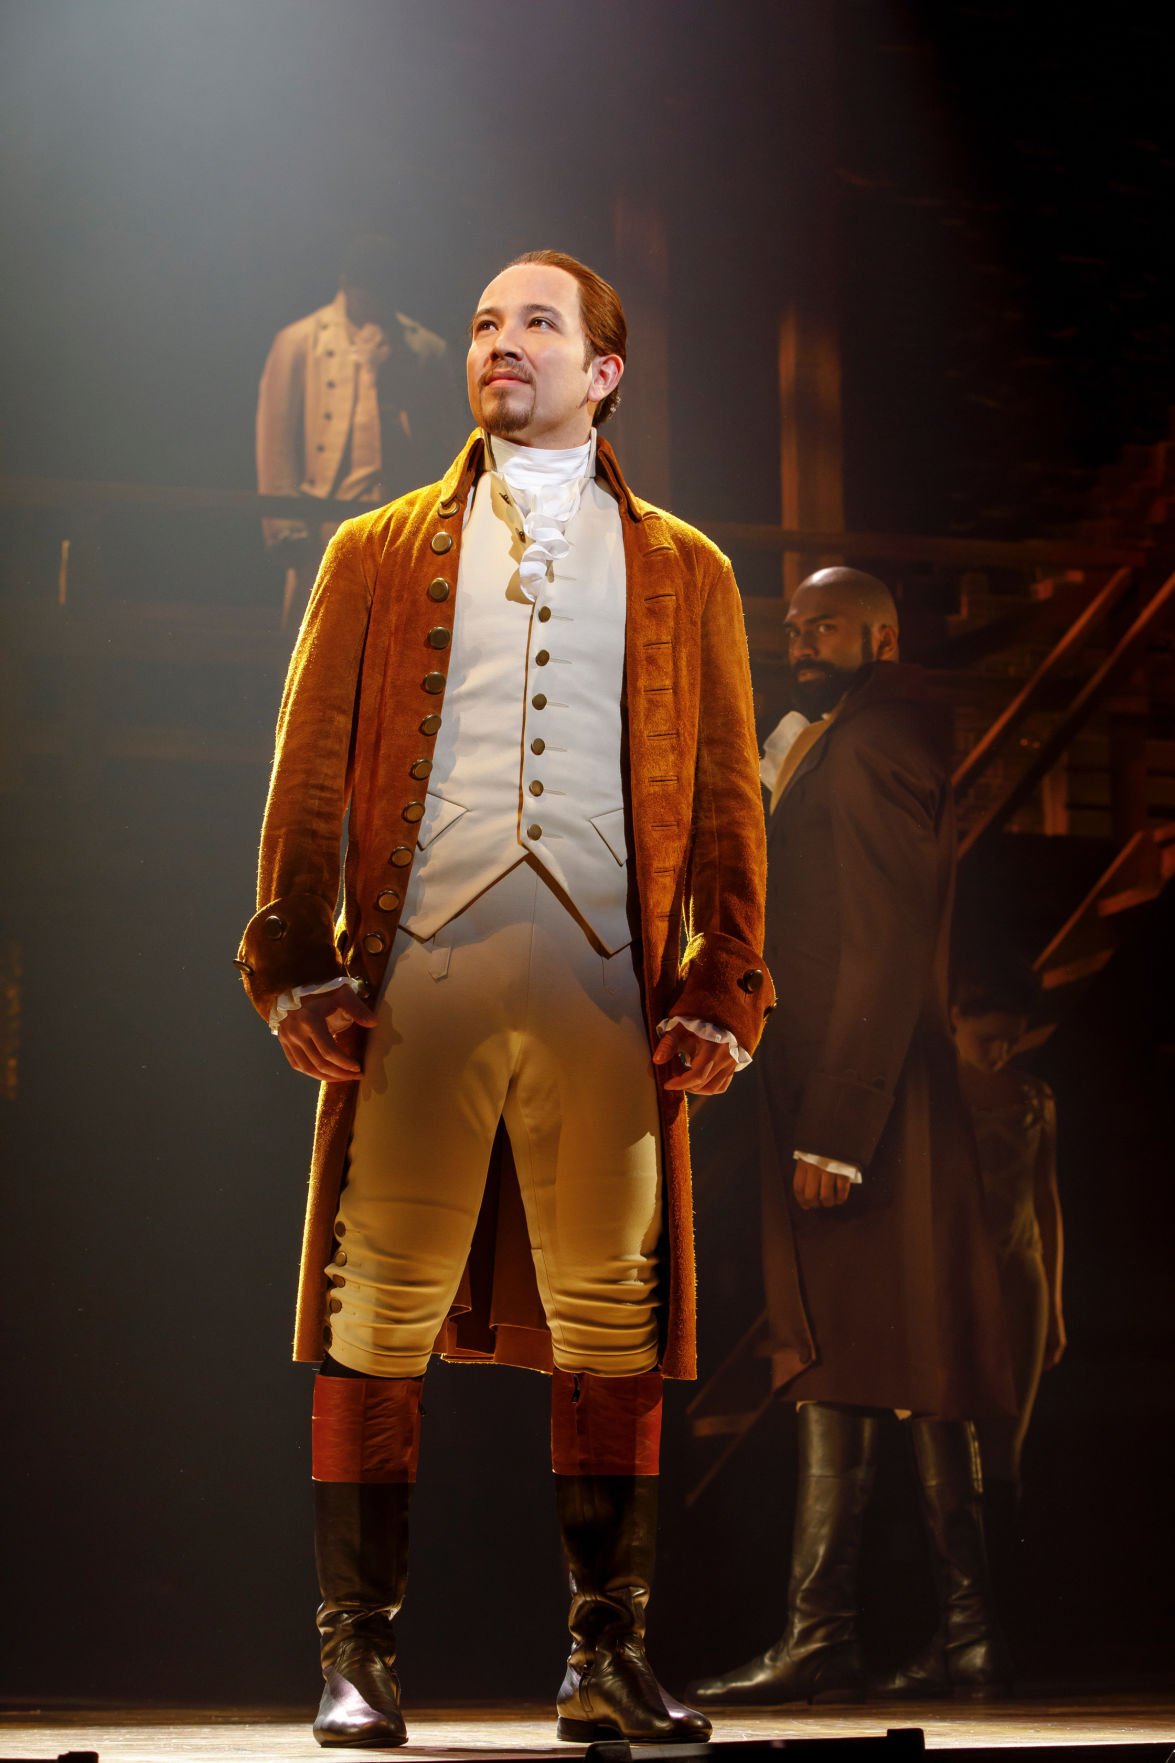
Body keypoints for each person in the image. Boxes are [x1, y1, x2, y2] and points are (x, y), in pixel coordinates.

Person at [236, 249, 773, 1747]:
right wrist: (293, 958)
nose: (499, 341)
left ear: (604, 371)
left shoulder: (687, 568)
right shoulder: (372, 548)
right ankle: (356, 1655)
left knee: (614, 1305)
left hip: (603, 977)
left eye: (536, 322)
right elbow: (306, 771)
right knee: (374, 1295)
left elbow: (727, 800)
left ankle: (607, 1655)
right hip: (426, 971)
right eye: (484, 322)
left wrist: (724, 980)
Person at [687, 567, 1014, 1710]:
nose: (800, 637)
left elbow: (882, 940)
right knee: (879, 1355)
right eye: (791, 624)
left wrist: (837, 1127)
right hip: (851, 1099)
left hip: (864, 1108)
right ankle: (947, 1637)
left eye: (823, 622)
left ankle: (836, 1636)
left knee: (858, 1352)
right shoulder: (839, 738)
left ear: (881, 634)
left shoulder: (873, 742)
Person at [256, 233, 458, 622]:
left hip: (402, 519)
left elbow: (445, 442)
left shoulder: (426, 350)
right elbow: (275, 440)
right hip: (323, 518)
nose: (373, 301)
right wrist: (285, 529)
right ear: (346, 283)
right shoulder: (298, 341)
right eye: (366, 288)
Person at [950, 964, 1066, 1493]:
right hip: (954, 1274)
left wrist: (1055, 1307)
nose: (1000, 1052)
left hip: (1021, 1276)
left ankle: (1002, 1535)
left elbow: (1045, 1200)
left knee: (1005, 1445)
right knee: (951, 1440)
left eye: (1011, 1041)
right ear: (955, 1018)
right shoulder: (938, 1094)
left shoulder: (1034, 1097)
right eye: (987, 1038)